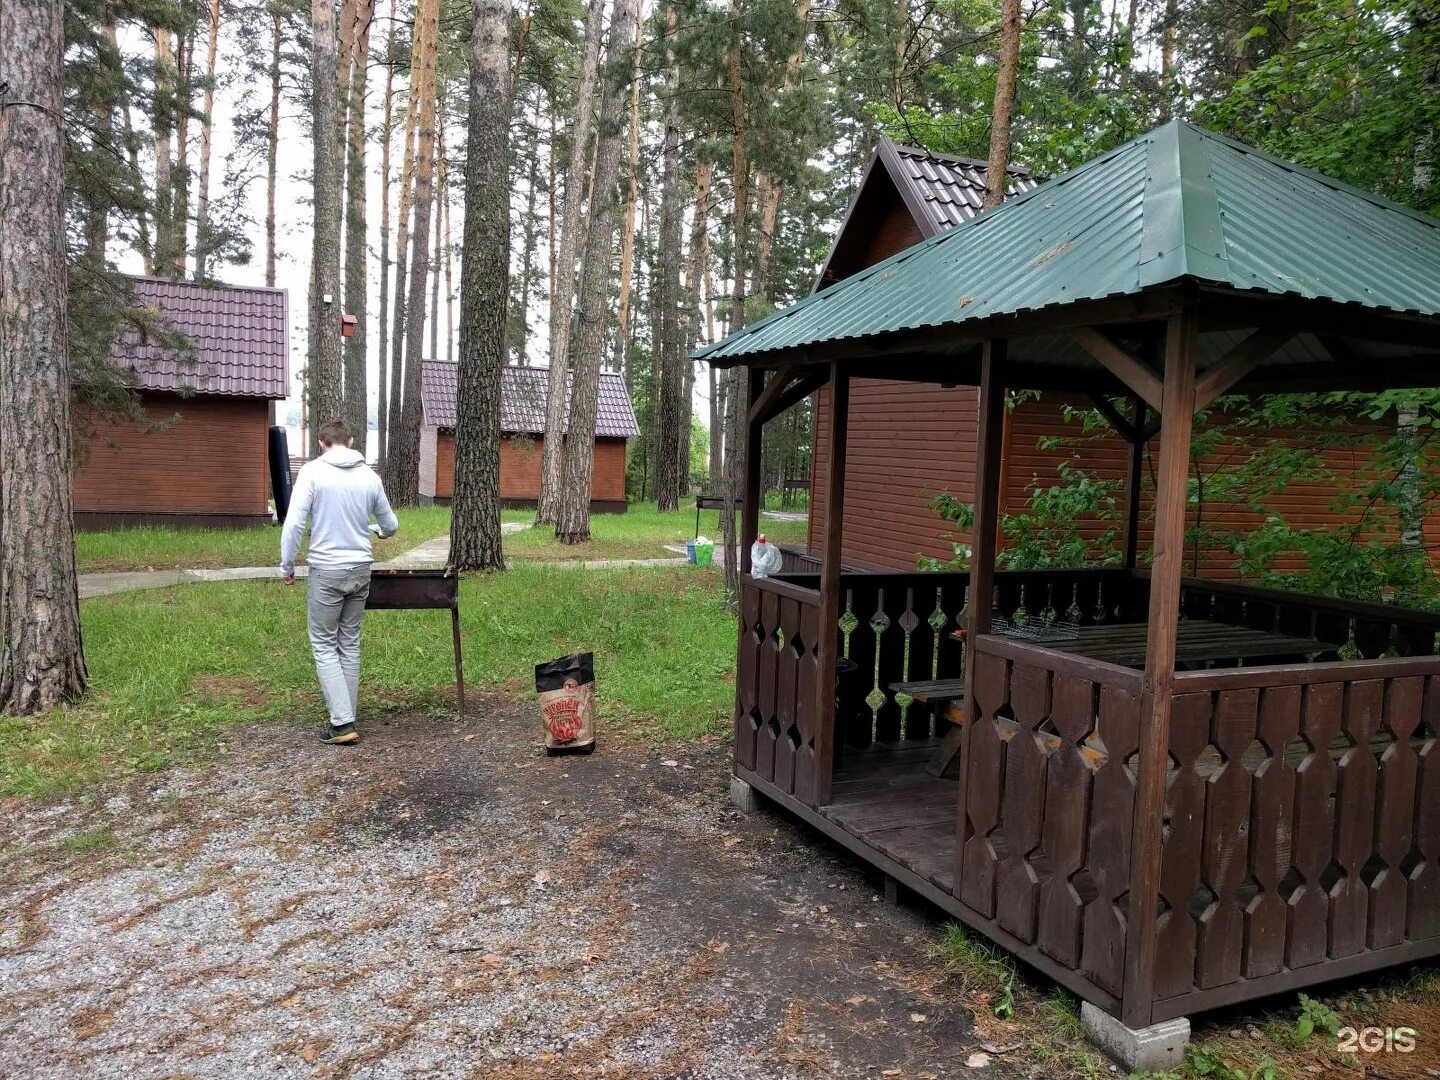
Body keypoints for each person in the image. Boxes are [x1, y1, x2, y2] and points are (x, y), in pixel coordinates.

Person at [280, 418, 398, 745]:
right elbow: (390, 525)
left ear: (322, 444)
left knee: (323, 643)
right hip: (360, 569)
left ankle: (342, 723)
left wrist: (286, 565)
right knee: (348, 642)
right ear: (350, 441)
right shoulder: (370, 477)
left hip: (327, 570)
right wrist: (376, 530)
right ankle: (346, 716)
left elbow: (293, 525)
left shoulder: (312, 472)